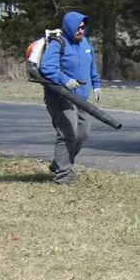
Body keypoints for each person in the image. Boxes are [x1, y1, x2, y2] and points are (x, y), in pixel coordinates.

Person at [40, 12, 101, 185]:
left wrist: (96, 85)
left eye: (83, 27)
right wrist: (66, 80)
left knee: (83, 131)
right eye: (78, 28)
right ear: (69, 27)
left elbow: (92, 66)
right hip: (61, 97)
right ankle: (63, 176)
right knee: (68, 132)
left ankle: (59, 163)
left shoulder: (86, 43)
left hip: (81, 98)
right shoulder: (57, 43)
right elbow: (47, 68)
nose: (81, 31)